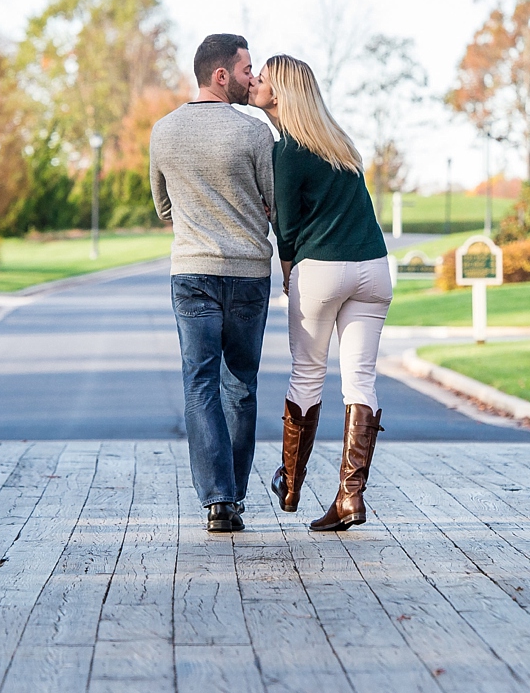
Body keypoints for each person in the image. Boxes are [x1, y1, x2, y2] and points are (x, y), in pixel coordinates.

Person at [249, 54, 391, 532]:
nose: (255, 83)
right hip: (373, 269)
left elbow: (286, 229)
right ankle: (350, 497)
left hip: (321, 270)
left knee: (308, 374)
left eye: (263, 79)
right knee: (361, 382)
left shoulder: (287, 150)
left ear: (280, 92)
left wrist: (288, 273)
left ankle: (289, 485)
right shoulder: (340, 143)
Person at [149, 33, 275, 534]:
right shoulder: (254, 134)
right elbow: (274, 203)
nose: (252, 78)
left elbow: (163, 207)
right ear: (220, 75)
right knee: (240, 386)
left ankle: (217, 501)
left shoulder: (163, 131)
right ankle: (235, 495)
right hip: (247, 273)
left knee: (199, 384)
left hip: (192, 273)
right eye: (247, 70)